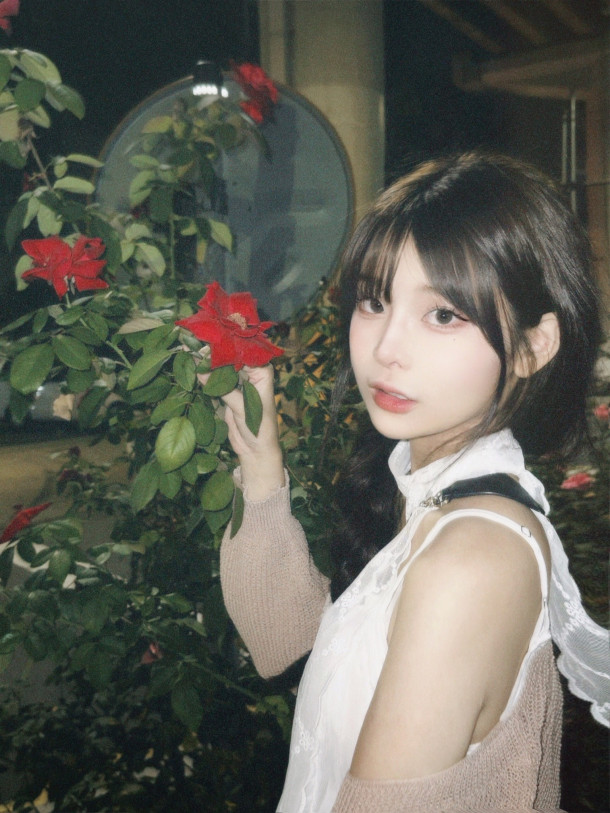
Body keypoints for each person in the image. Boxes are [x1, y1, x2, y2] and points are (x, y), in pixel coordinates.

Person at [215, 152, 609, 812]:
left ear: (532, 346)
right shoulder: (428, 494)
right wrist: (260, 463)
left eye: (444, 314)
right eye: (374, 301)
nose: (385, 348)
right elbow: (285, 644)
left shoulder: (471, 558)